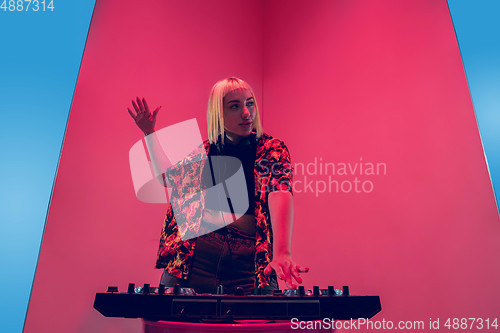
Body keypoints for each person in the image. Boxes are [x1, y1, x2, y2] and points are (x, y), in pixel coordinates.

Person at [127, 77, 308, 295]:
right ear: (218, 112)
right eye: (235, 106)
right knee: (175, 323)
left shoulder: (271, 148)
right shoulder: (204, 152)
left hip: (248, 261)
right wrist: (149, 133)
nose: (246, 113)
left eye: (250, 103)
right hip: (197, 259)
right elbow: (167, 177)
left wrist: (282, 252)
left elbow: (279, 192)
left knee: (258, 323)